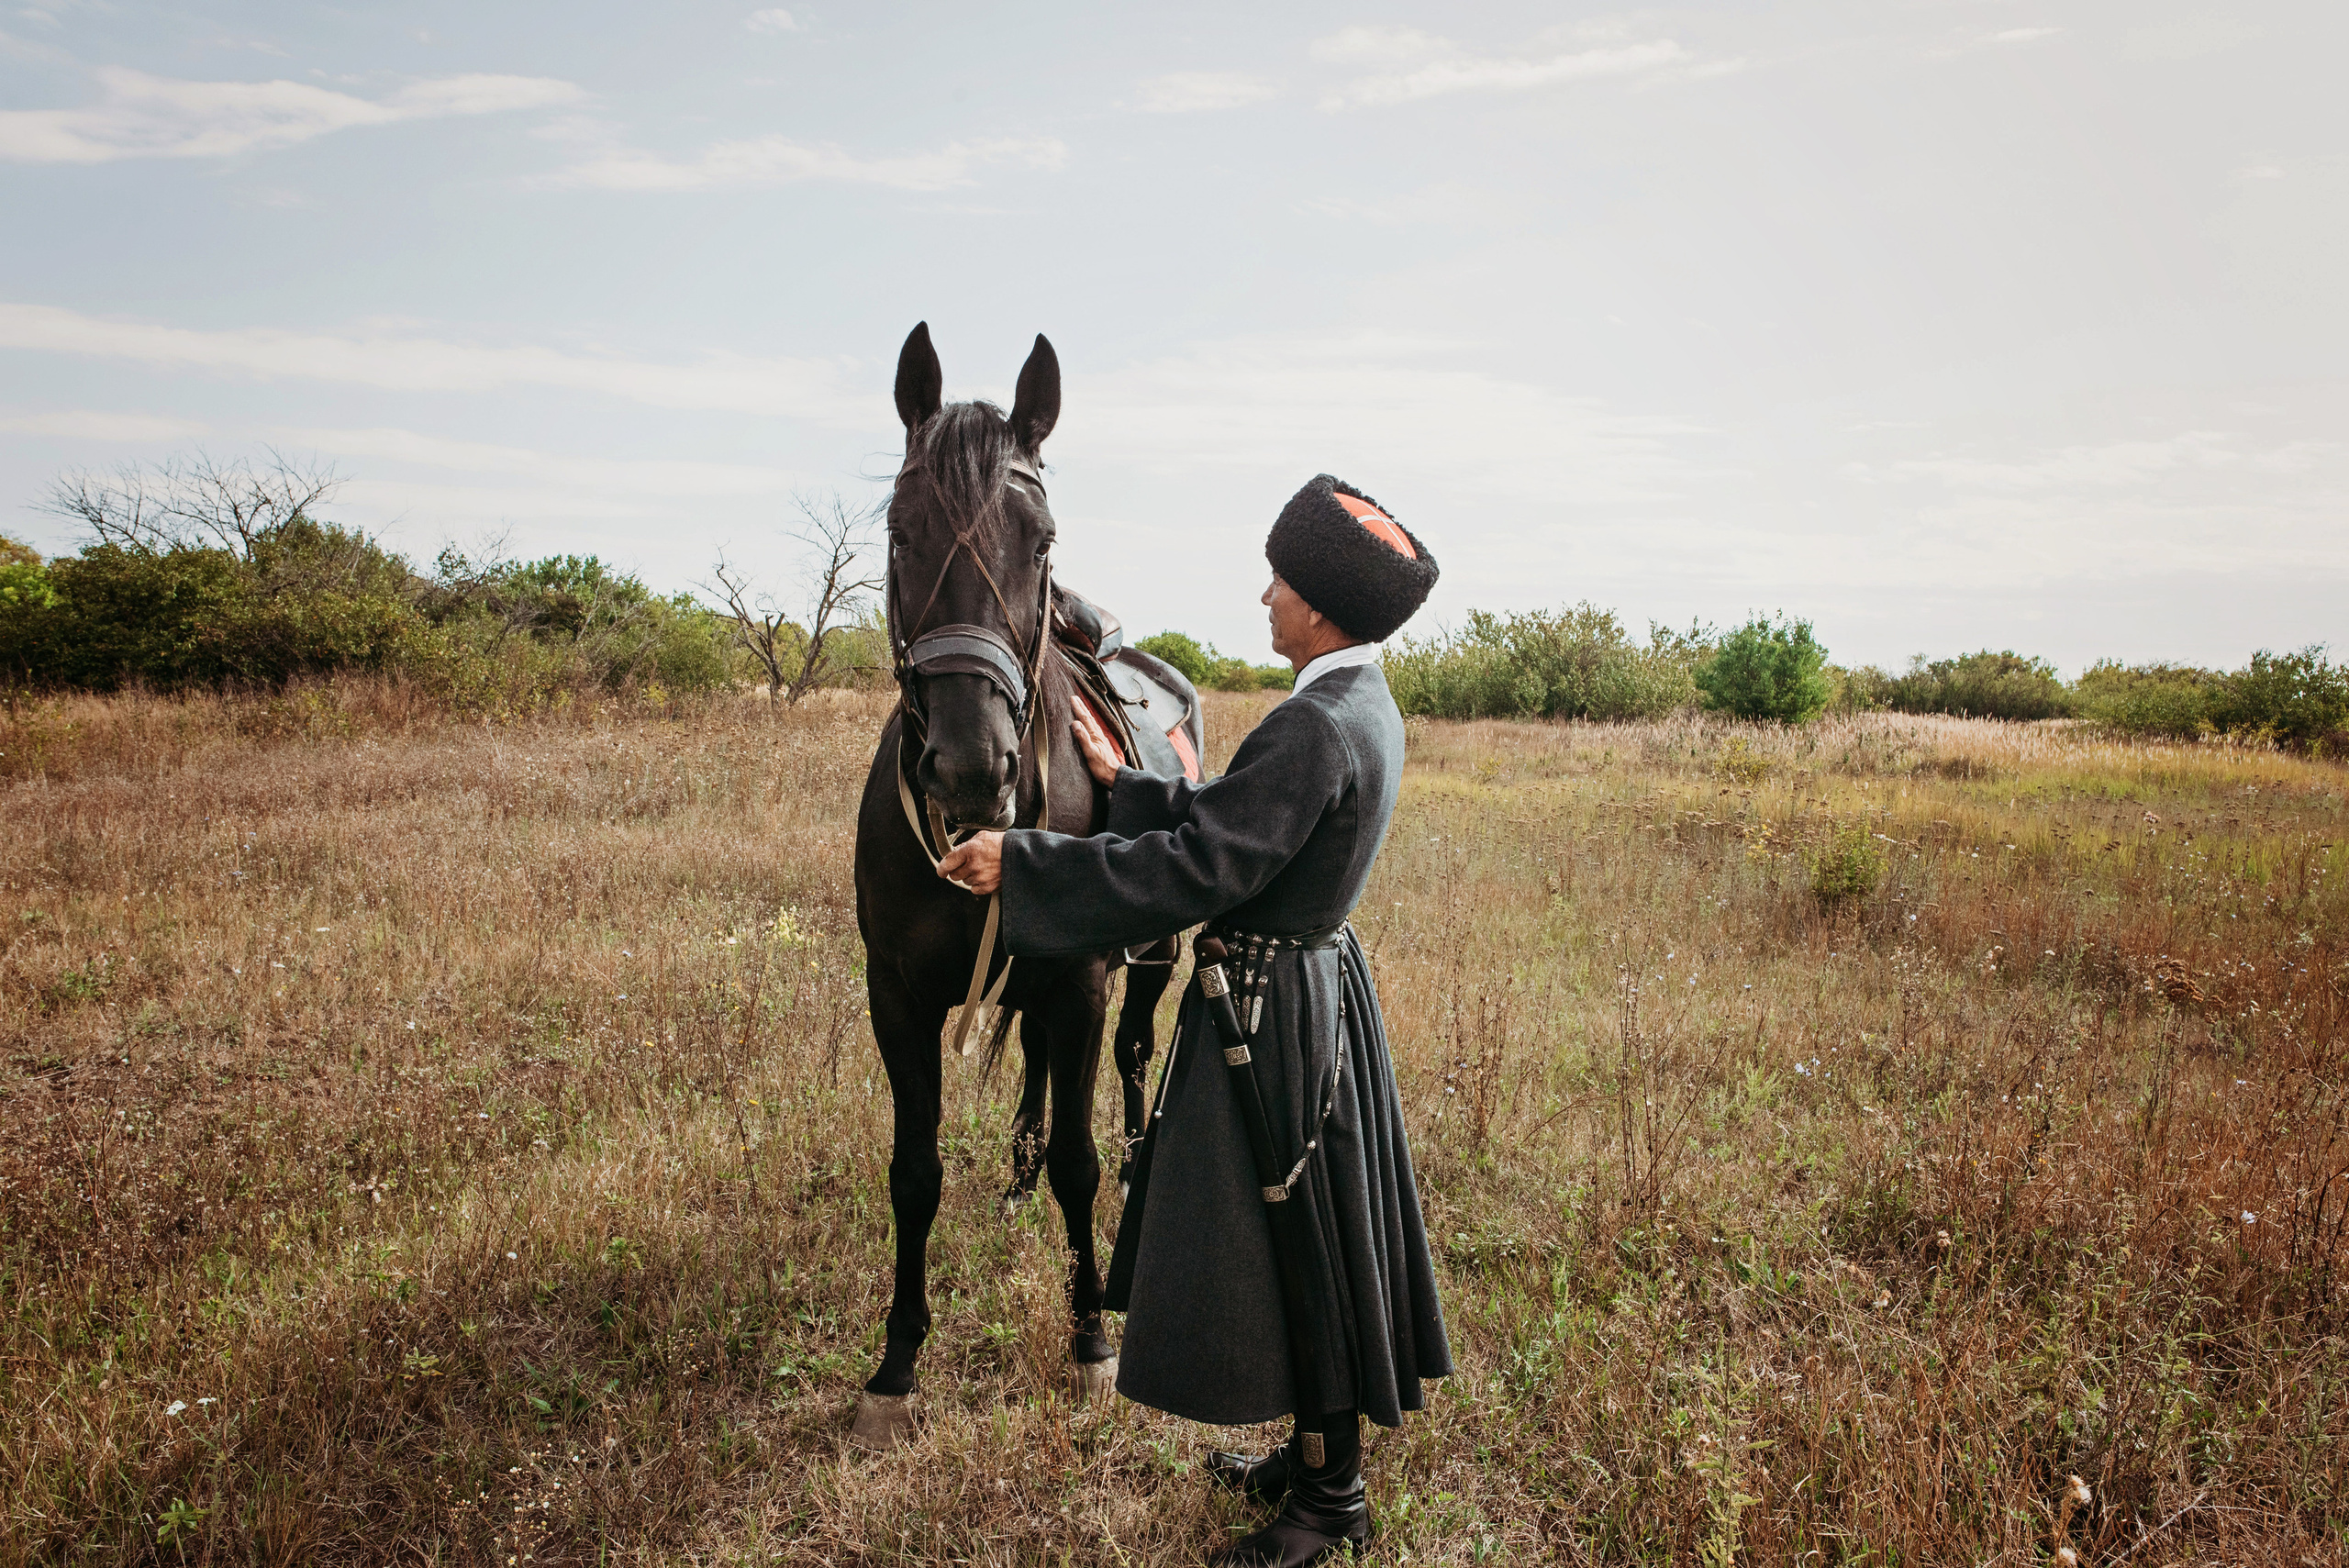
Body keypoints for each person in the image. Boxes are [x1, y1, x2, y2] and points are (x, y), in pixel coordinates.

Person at [937, 473, 1453, 1566]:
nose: (1264, 596)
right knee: (1296, 1233)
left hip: (1274, 1018)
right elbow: (1242, 828)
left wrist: (1024, 863)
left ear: (1317, 604)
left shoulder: (1313, 724)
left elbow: (1202, 868)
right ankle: (1311, 1458)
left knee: (1302, 1237)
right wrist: (1130, 783)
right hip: (1305, 990)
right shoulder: (1359, 705)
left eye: (1279, 580)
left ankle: (1329, 1501)